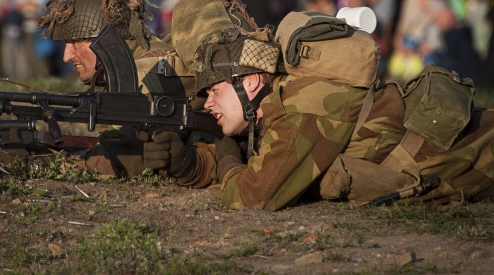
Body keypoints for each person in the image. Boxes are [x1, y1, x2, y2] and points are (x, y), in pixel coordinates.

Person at [144, 13, 494, 211]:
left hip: (480, 159)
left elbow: (255, 196)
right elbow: (266, 158)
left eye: (214, 91)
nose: (207, 103)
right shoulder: (280, 103)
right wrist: (192, 164)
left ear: (251, 83)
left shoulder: (301, 108)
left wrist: (224, 155)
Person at [37, 0, 200, 177]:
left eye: (75, 42)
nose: (66, 56)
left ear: (106, 38)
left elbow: (123, 158)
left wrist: (42, 161)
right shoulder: (139, 66)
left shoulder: (147, 74)